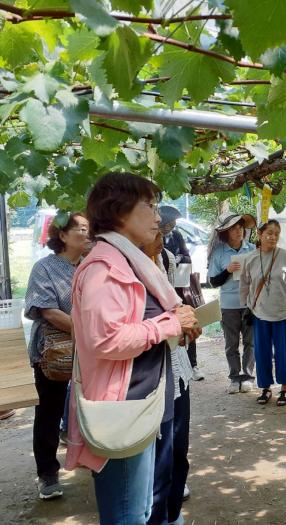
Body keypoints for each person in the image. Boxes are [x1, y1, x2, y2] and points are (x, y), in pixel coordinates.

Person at [66, 172, 201, 525]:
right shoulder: (104, 267)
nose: (158, 217)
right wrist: (171, 324)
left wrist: (180, 325)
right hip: (122, 406)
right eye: (151, 206)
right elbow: (107, 339)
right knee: (128, 514)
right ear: (120, 209)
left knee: (141, 507)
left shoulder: (127, 260)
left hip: (144, 400)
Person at [24, 212, 91, 499]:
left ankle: (95, 458)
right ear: (62, 235)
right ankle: (47, 474)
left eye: (90, 229)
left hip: (90, 350)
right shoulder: (45, 268)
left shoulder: (91, 266)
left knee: (92, 406)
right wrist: (87, 332)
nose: (88, 234)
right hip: (53, 354)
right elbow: (47, 311)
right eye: (82, 229)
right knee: (49, 412)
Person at [143, 232, 193, 525]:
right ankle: (157, 513)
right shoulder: (122, 269)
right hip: (151, 377)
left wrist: (185, 322)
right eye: (154, 228)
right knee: (157, 454)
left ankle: (171, 510)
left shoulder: (164, 260)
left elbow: (175, 305)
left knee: (178, 445)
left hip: (177, 369)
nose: (160, 235)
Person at [240, 220, 286, 406]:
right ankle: (265, 388)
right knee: (262, 352)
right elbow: (245, 285)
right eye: (269, 233)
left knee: (284, 352)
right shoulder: (250, 258)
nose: (272, 237)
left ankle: (285, 389)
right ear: (260, 234)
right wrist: (246, 307)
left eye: (276, 234)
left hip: (283, 312)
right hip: (260, 313)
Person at [208, 212, 257, 394]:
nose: (239, 231)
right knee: (232, 344)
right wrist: (228, 270)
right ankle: (235, 378)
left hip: (250, 303)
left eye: (241, 227)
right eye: (234, 228)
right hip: (228, 305)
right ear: (226, 232)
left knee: (250, 342)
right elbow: (213, 281)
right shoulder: (218, 253)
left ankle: (248, 377)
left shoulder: (252, 249)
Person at [159, 205, 204, 382]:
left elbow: (187, 256)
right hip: (163, 291)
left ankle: (193, 364)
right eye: (168, 223)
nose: (170, 227)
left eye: (173, 224)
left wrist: (178, 259)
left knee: (189, 325)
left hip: (180, 288)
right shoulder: (153, 238)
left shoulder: (176, 236)